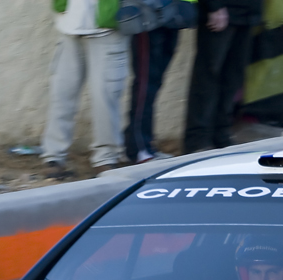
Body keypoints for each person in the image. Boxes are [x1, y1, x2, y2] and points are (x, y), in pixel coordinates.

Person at [41, 0, 128, 178]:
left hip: (108, 29)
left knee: (105, 98)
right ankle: (54, 157)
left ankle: (106, 159)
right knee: (62, 93)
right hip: (69, 26)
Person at [183, 0, 262, 153]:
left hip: (249, 12)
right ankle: (197, 141)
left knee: (232, 79)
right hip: (221, 12)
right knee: (207, 78)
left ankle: (221, 135)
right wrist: (215, 6)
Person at [123, 2, 194, 164]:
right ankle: (138, 148)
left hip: (172, 17)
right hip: (147, 17)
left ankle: (139, 143)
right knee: (144, 85)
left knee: (153, 84)